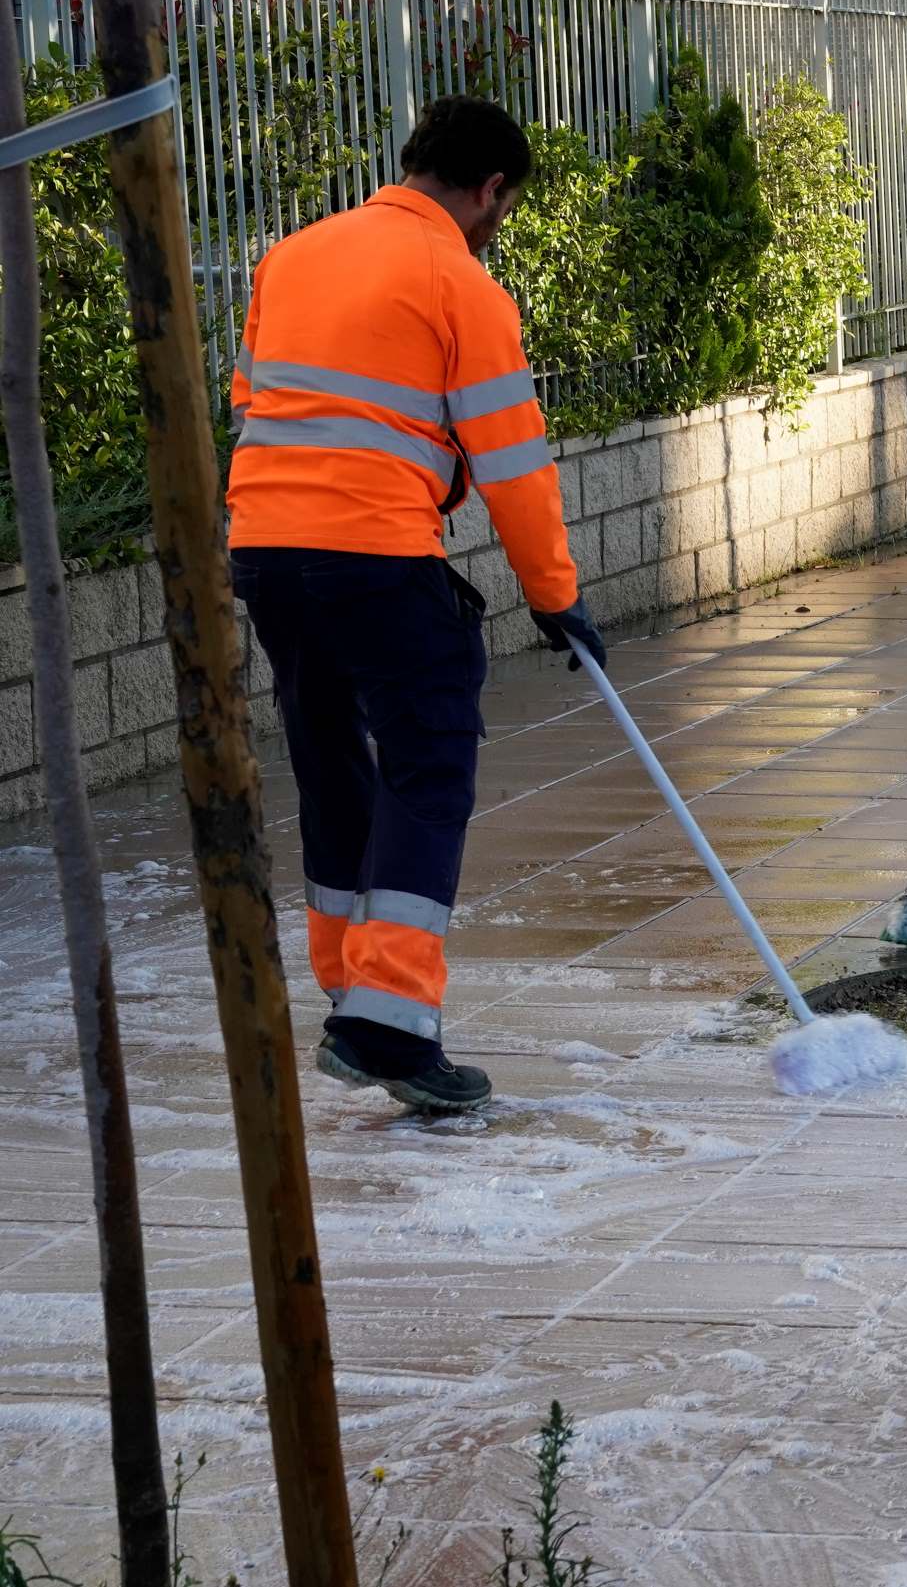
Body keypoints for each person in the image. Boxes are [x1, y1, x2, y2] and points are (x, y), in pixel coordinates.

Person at [229, 96, 605, 1115]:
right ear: (489, 191)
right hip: (376, 557)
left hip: (264, 548)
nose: (498, 227)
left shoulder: (290, 257)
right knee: (431, 755)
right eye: (505, 209)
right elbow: (514, 465)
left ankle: (353, 992)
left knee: (330, 758)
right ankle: (389, 1023)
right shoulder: (463, 284)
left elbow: (261, 404)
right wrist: (555, 598)